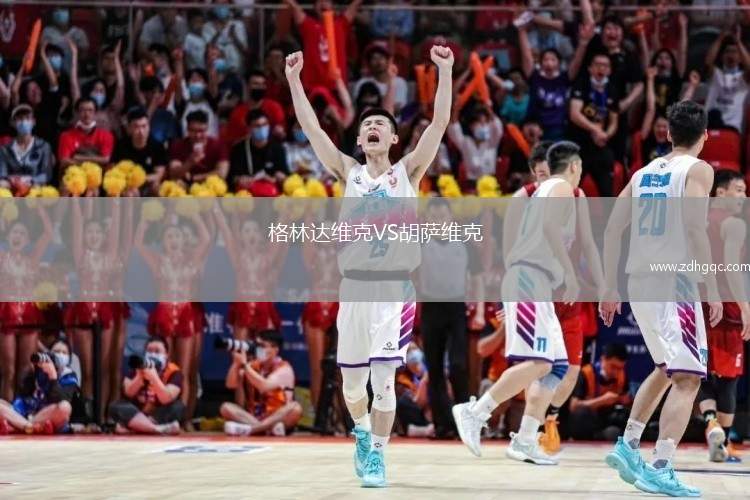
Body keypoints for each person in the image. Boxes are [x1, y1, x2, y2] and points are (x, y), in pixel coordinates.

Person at [286, 44, 453, 487]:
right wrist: (294, 81)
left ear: (394, 139)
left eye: (381, 124)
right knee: (353, 387)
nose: (374, 127)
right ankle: (361, 433)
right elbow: (311, 128)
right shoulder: (349, 172)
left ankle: (378, 454)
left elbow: (439, 123)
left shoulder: (408, 172)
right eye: (367, 126)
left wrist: (445, 71)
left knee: (383, 380)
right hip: (354, 289)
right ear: (359, 141)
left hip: (394, 290)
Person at [600, 100, 722, 497]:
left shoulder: (642, 173)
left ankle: (628, 444)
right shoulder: (698, 170)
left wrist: (608, 285)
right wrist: (712, 286)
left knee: (665, 367)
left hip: (639, 281)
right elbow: (695, 228)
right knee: (688, 378)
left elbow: (612, 227)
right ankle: (661, 466)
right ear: (705, 136)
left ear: (668, 134)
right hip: (675, 281)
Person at [453, 141, 582, 465]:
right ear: (573, 166)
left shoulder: (548, 194)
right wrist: (569, 273)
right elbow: (535, 237)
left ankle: (525, 440)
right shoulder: (557, 189)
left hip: (540, 283)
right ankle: (476, 411)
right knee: (540, 361)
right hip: (529, 279)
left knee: (557, 365)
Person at [502, 140, 605, 456]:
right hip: (535, 286)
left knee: (568, 368)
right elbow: (510, 251)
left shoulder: (576, 194)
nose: (548, 181)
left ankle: (544, 420)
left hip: (566, 293)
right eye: (542, 175)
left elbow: (588, 243)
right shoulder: (525, 198)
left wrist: (603, 286)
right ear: (534, 174)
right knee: (539, 364)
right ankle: (522, 429)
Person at [134, 213, 211, 422]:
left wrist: (194, 213)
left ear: (184, 240)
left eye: (177, 236)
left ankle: (183, 418)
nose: (173, 240)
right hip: (164, 314)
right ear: (163, 243)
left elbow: (206, 238)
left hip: (186, 315)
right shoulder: (157, 261)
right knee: (166, 369)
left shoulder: (192, 259)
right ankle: (164, 416)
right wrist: (145, 220)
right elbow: (138, 243)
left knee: (184, 370)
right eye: (169, 237)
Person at [419, 198, 484, 438]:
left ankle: (465, 422)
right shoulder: (419, 242)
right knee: (434, 368)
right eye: (434, 218)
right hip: (430, 307)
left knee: (458, 365)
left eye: (442, 217)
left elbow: (477, 279)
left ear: (451, 217)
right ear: (427, 220)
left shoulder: (464, 242)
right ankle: (442, 425)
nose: (438, 221)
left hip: (456, 307)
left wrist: (479, 311)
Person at [697, 169, 750, 463]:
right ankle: (725, 443)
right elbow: (731, 268)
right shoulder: (734, 224)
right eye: (738, 190)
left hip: (697, 302)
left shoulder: (697, 220)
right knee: (729, 378)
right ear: (720, 192)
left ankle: (710, 422)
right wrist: (745, 307)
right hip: (726, 306)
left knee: (700, 371)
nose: (744, 196)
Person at [65, 198, 122, 423]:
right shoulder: (80, 254)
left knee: (104, 368)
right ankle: (89, 417)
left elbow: (116, 232)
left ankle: (103, 416)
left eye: (98, 232)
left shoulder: (110, 254)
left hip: (105, 310)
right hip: (84, 310)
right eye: (89, 232)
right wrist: (77, 199)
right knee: (88, 369)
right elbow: (77, 224)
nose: (93, 235)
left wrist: (116, 201)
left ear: (103, 235)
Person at [0, 208, 53, 402]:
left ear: (28, 240)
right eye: (14, 232)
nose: (18, 236)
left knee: (26, 370)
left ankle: (23, 412)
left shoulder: (33, 259)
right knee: (8, 371)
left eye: (22, 233)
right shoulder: (2, 257)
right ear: (8, 237)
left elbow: (48, 233)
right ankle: (5, 413)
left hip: (29, 315)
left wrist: (40, 207)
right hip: (6, 314)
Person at [220, 330, 303, 436]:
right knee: (225, 407)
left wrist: (245, 365)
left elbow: (264, 386)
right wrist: (236, 364)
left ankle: (252, 430)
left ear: (275, 349)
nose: (259, 350)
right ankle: (265, 429)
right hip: (254, 418)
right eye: (257, 346)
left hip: (278, 418)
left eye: (263, 346)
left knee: (295, 407)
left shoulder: (284, 368)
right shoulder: (253, 365)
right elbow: (231, 384)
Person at [568, 52, 619, 196]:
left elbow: (614, 121)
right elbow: (574, 114)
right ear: (590, 68)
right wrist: (595, 130)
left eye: (605, 66)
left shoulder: (612, 90)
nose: (601, 68)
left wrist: (605, 135)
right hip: (579, 145)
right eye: (597, 65)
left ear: (609, 70)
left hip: (600, 146)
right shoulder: (581, 84)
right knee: (570, 189)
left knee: (607, 193)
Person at [108, 337, 182, 435]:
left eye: (157, 351)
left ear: (166, 354)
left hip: (157, 414)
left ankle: (138, 427)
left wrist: (154, 378)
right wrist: (139, 377)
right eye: (149, 351)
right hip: (136, 412)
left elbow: (166, 398)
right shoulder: (137, 366)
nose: (153, 354)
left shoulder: (174, 372)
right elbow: (128, 393)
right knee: (116, 406)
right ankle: (156, 429)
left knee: (178, 407)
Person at [284, 0, 362, 90]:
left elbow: (356, 4)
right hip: (313, 85)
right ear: (314, 8)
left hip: (336, 85)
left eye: (327, 1)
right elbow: (294, 7)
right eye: (319, 1)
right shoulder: (308, 25)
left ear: (333, 6)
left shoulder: (341, 24)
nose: (323, 3)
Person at [568, 343, 631, 441]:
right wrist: (602, 400)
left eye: (620, 368)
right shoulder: (586, 373)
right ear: (603, 359)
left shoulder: (622, 376)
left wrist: (625, 401)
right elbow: (574, 406)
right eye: (613, 366)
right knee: (581, 414)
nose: (616, 372)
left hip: (608, 418)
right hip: (590, 419)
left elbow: (625, 399)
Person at [0, 351, 72, 435]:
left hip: (45, 416)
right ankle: (28, 427)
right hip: (23, 415)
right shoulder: (33, 376)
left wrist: (53, 377)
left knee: (65, 407)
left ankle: (18, 427)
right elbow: (20, 402)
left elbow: (60, 400)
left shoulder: (68, 376)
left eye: (63, 352)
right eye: (56, 351)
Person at [228, 109, 290, 190]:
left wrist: (281, 178)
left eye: (265, 124)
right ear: (249, 128)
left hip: (273, 191)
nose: (262, 128)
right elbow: (232, 177)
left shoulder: (278, 148)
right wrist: (239, 179)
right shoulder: (239, 149)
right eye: (257, 126)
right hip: (248, 192)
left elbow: (285, 175)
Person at [111, 107, 168, 195]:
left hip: (148, 183)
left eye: (144, 126)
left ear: (149, 127)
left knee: (157, 188)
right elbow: (112, 169)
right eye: (136, 127)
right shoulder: (121, 145)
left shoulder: (157, 146)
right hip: (126, 185)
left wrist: (137, 179)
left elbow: (159, 174)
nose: (141, 131)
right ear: (129, 128)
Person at [0, 104, 55, 193]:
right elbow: (2, 174)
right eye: (19, 118)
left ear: (33, 122)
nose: (24, 121)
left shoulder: (44, 146)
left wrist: (30, 181)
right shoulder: (4, 149)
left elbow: (46, 175)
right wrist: (13, 181)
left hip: (35, 189)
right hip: (12, 189)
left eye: (28, 118)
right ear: (12, 123)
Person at [704, 26, 750, 131]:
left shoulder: (743, 77)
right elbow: (708, 63)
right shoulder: (716, 74)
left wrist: (738, 41)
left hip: (732, 128)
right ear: (722, 56)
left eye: (734, 52)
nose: (731, 55)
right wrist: (720, 38)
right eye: (727, 51)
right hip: (710, 126)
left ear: (740, 58)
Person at [225, 69, 287, 146]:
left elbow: (282, 134)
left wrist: (279, 132)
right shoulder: (237, 113)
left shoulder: (274, 107)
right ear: (247, 86)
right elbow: (231, 141)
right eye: (256, 84)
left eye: (263, 84)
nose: (260, 87)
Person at [168, 110, 229, 183]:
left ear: (207, 129)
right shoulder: (178, 145)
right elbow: (173, 174)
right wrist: (189, 163)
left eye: (201, 131)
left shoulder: (218, 145)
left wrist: (194, 178)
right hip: (184, 186)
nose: (198, 135)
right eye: (193, 131)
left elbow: (222, 173)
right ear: (187, 130)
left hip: (209, 185)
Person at [447, 103, 503, 183]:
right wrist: (456, 111)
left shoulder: (492, 142)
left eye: (486, 123)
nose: (484, 126)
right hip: (471, 183)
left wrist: (489, 110)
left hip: (489, 183)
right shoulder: (466, 142)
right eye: (480, 123)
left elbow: (497, 128)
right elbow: (454, 130)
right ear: (472, 126)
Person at [58, 97, 115, 170]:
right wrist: (95, 161)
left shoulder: (106, 135)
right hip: (75, 174)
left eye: (90, 110)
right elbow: (64, 160)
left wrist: (78, 157)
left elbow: (106, 159)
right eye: (82, 110)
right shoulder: (66, 135)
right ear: (77, 113)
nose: (87, 114)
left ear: (96, 113)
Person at [395, 343, 434, 438]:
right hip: (418, 410)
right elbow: (417, 401)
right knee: (403, 402)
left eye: (414, 349)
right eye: (410, 351)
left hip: (431, 409)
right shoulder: (404, 378)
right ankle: (421, 429)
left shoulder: (430, 370)